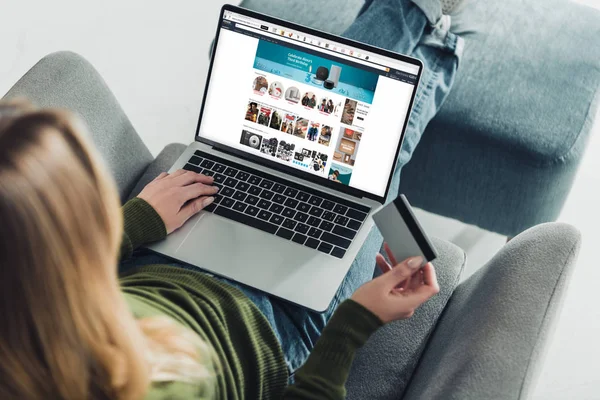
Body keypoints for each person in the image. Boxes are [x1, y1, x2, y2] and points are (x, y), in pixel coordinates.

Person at [0, 0, 464, 397]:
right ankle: (430, 27)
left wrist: (137, 221)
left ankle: (428, 23)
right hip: (275, 320)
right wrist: (354, 324)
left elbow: (61, 263)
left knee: (349, 156)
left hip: (160, 256)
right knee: (369, 172)